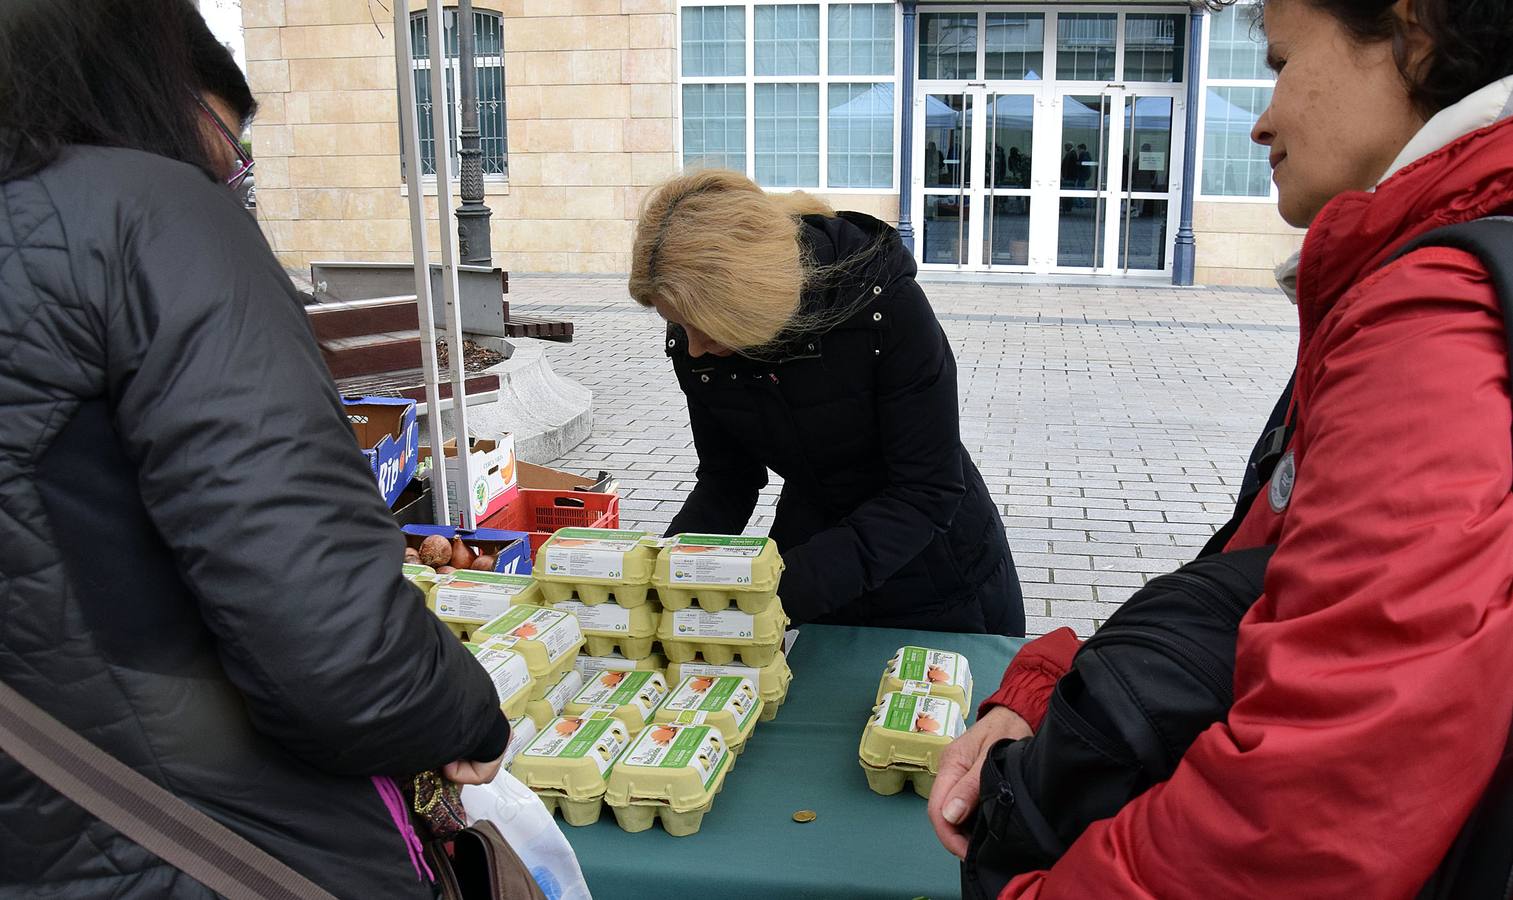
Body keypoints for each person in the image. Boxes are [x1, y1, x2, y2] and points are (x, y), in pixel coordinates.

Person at [930, 0, 1513, 895]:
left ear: (1412, 34)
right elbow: (1252, 589)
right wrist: (1051, 693)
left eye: (1280, 62)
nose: (1260, 118)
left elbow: (1316, 797)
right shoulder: (1419, 273)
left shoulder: (1435, 312)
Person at [0, 2, 509, 897]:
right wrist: (467, 715)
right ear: (152, 83)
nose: (232, 176)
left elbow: (66, 543)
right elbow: (343, 661)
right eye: (231, 150)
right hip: (207, 837)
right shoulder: (144, 213)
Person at [629, 169, 1026, 635]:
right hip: (815, 550)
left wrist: (778, 593)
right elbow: (727, 481)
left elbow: (926, 491)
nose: (692, 347)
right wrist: (663, 576)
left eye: (703, 326)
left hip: (938, 571)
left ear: (751, 302)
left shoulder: (887, 311)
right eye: (679, 325)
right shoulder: (702, 346)